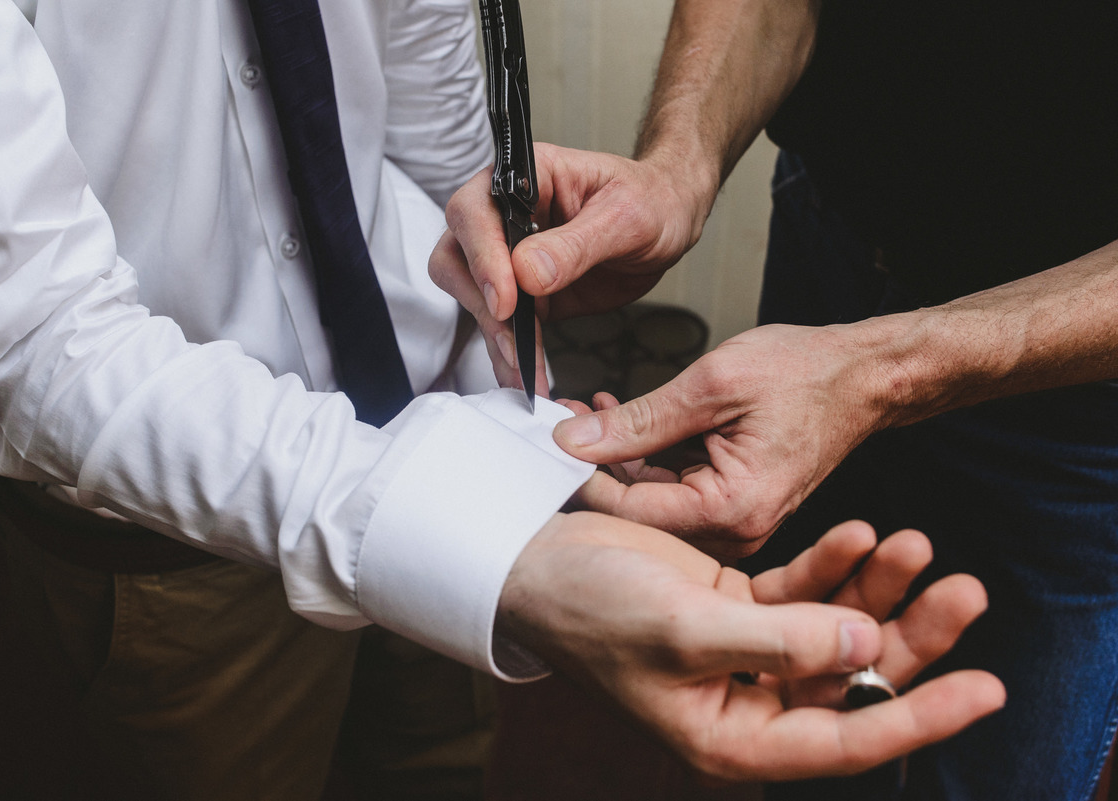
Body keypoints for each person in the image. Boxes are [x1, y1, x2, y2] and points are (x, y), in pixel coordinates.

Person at [0, 1, 1003, 799]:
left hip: (455, 417)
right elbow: (27, 332)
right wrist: (485, 550)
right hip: (167, 523)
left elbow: (429, 55)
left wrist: (502, 342)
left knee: (435, 767)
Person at [431, 1, 1118, 799]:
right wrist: (678, 164)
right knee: (804, 705)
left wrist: (880, 371)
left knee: (1002, 764)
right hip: (826, 240)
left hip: (1080, 400)